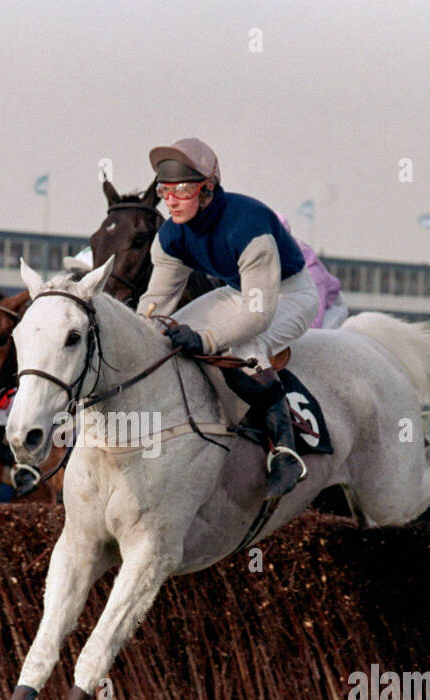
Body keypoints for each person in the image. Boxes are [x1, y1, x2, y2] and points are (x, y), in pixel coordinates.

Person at [137, 138, 324, 498]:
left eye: (181, 190)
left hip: (289, 296)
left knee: (242, 346)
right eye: (164, 191)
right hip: (236, 291)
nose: (170, 201)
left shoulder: (248, 225)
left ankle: (285, 452)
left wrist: (206, 340)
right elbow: (156, 304)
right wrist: (140, 333)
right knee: (163, 337)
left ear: (207, 188)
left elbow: (257, 315)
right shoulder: (171, 235)